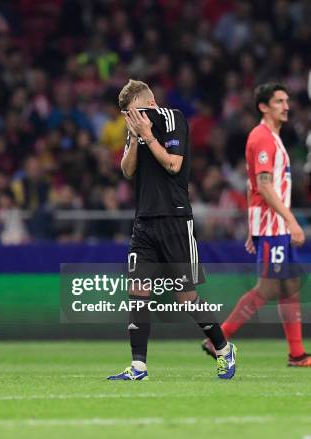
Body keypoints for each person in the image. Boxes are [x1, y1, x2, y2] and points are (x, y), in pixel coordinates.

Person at [108, 79, 236, 381]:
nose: (130, 118)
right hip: (144, 221)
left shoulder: (172, 118)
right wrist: (134, 135)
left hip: (175, 218)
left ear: (149, 104)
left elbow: (173, 165)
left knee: (185, 296)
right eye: (126, 114)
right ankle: (138, 366)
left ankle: (223, 348)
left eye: (132, 112)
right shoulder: (134, 129)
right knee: (137, 293)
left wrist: (148, 135)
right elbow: (127, 171)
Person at [202, 83, 311, 367]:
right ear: (263, 106)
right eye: (279, 101)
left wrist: (253, 225)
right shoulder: (262, 137)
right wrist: (290, 221)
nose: (286, 106)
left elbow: (252, 186)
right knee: (268, 289)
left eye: (287, 100)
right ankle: (218, 339)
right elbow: (263, 185)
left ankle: (297, 354)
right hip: (275, 227)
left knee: (290, 287)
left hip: (273, 226)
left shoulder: (272, 137)